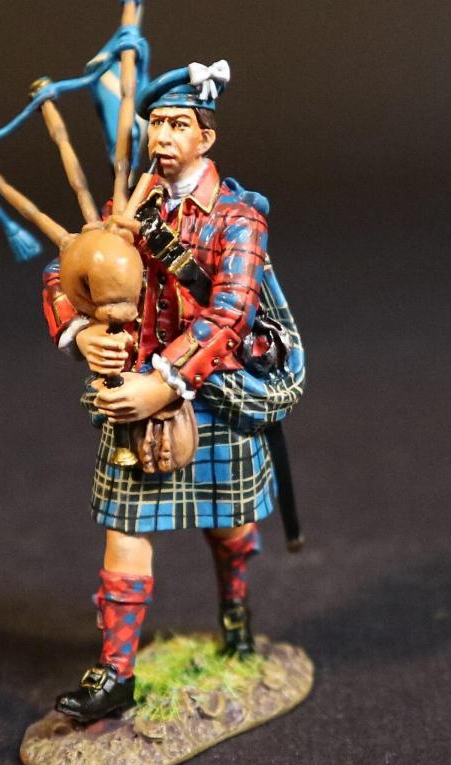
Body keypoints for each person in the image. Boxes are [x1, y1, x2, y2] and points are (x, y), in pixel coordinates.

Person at [42, 61, 284, 723]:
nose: (163, 136)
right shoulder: (127, 210)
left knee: (230, 523)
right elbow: (66, 270)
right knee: (124, 527)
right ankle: (116, 672)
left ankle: (235, 614)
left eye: (178, 124)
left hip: (216, 392)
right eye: (155, 123)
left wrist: (162, 382)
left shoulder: (238, 218)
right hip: (134, 398)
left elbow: (229, 314)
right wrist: (82, 331)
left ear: (206, 136)